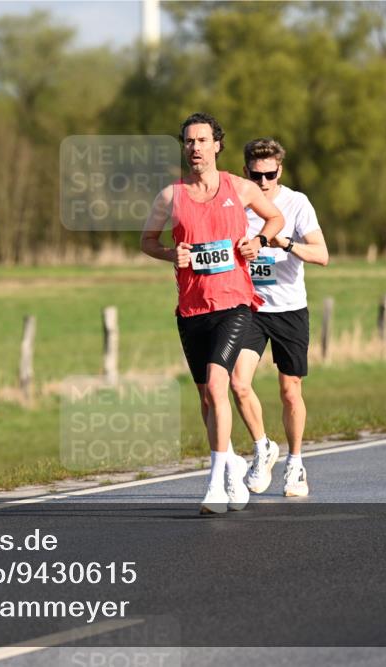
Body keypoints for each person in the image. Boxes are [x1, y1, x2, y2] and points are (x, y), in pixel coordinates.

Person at [140, 113, 285, 514]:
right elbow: (147, 241)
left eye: (203, 140)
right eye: (189, 141)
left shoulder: (238, 188)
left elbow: (276, 217)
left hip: (234, 303)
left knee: (220, 387)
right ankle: (233, 466)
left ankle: (215, 484)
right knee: (207, 398)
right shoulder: (171, 197)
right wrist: (173, 253)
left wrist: (258, 241)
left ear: (217, 145)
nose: (196, 148)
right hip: (191, 307)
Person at [230, 137, 330, 497]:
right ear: (246, 172)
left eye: (270, 175)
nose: (264, 183)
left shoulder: (297, 203)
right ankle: (263, 448)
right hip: (250, 308)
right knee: (238, 383)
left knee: (290, 390)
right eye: (256, 176)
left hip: (289, 308)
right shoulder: (236, 205)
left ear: (280, 171)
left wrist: (285, 244)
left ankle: (296, 463)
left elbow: (322, 255)